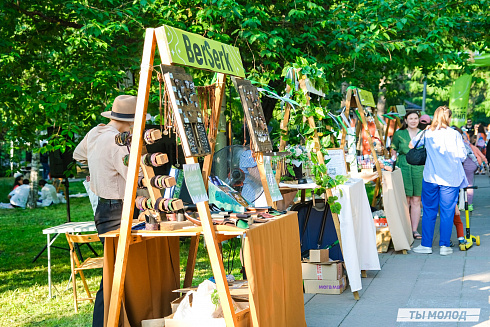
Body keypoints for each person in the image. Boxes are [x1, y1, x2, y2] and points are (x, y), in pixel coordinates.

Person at [73, 95, 148, 327]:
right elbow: (134, 176)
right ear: (132, 121)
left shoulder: (96, 132)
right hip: (120, 209)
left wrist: (98, 170)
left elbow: (78, 155)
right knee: (117, 275)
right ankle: (106, 322)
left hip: (105, 207)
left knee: (115, 272)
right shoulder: (118, 143)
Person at [412, 106, 467, 256]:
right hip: (450, 178)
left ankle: (426, 245)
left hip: (431, 177)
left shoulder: (427, 132)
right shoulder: (454, 134)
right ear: (447, 118)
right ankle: (444, 246)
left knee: (429, 211)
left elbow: (412, 144)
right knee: (447, 212)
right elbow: (463, 156)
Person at [390, 110, 424, 240]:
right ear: (406, 120)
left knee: (416, 199)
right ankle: (405, 228)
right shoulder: (399, 134)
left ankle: (414, 230)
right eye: (411, 118)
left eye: (416, 118)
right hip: (403, 166)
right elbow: (393, 149)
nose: (414, 121)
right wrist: (393, 163)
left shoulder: (423, 134)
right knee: (406, 199)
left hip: (419, 168)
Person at [452, 126, 486, 211]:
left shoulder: (460, 143)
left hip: (468, 165)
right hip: (468, 164)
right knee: (464, 184)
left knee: (468, 184)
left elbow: (468, 154)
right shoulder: (462, 141)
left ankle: (468, 204)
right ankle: (464, 204)